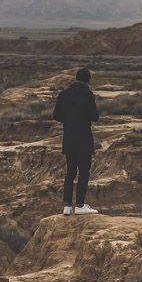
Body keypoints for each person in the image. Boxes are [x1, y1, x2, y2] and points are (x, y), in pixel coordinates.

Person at [52, 67, 100, 214]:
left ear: (75, 78)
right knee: (84, 171)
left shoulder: (64, 94)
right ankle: (80, 206)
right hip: (84, 138)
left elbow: (56, 116)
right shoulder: (87, 94)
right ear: (88, 80)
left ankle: (67, 206)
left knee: (70, 171)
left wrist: (69, 119)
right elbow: (95, 116)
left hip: (69, 138)